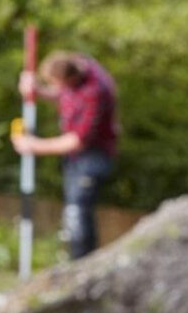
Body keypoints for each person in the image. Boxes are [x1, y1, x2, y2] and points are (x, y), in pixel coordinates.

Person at [11, 51, 118, 259]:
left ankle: (83, 263)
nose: (56, 88)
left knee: (77, 212)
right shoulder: (77, 68)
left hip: (93, 157)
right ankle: (79, 262)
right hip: (75, 159)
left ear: (70, 79)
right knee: (73, 210)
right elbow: (62, 94)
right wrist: (38, 91)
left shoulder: (95, 91)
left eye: (56, 84)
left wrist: (33, 145)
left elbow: (77, 141)